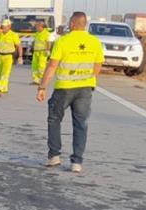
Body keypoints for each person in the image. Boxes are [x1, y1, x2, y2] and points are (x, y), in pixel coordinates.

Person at [37, 11, 104, 173]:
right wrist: (89, 79)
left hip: (64, 88)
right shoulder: (95, 42)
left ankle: (54, 156)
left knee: (54, 119)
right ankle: (77, 162)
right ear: (85, 24)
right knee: (81, 124)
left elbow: (52, 66)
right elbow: (98, 65)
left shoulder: (63, 42)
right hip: (85, 88)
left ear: (72, 24)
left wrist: (42, 87)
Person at [0, 19, 23, 97]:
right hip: (0, 56)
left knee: (5, 74)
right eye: (2, 26)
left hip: (9, 56)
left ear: (9, 26)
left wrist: (20, 57)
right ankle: (5, 88)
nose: (3, 28)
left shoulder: (13, 35)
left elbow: (19, 46)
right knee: (0, 74)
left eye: (5, 26)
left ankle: (0, 89)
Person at [30, 20, 53, 85]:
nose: (36, 27)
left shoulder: (46, 33)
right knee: (34, 66)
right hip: (36, 52)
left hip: (43, 52)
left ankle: (43, 80)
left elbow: (48, 42)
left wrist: (48, 50)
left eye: (37, 26)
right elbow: (35, 41)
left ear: (41, 26)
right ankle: (36, 80)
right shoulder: (37, 33)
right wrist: (32, 47)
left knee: (41, 67)